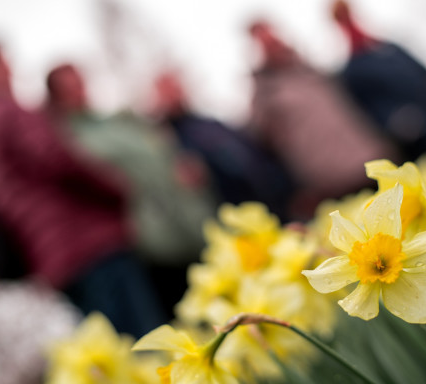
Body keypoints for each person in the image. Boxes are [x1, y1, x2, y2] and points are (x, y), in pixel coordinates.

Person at [0, 43, 165, 336]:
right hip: (93, 243)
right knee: (150, 341)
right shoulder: (12, 114)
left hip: (54, 263)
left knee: (114, 353)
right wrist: (118, 190)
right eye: (3, 61)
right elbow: (60, 161)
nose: (10, 68)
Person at [45, 64, 217, 318]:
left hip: (188, 223)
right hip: (149, 242)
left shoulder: (119, 122)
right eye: (68, 88)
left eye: (79, 82)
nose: (79, 91)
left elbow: (162, 158)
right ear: (56, 96)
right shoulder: (68, 141)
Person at [247, 21, 400, 219]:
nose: (273, 44)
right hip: (334, 184)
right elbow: (260, 136)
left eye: (273, 36)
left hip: (373, 160)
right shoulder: (266, 94)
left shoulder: (311, 71)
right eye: (263, 41)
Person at [331, 0, 426, 161]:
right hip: (421, 142)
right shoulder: (352, 71)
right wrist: (399, 123)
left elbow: (425, 75)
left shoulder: (390, 48)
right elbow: (369, 111)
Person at [150, 71, 294, 221]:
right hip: (232, 215)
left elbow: (253, 155)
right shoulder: (165, 142)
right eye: (165, 91)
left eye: (174, 87)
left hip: (273, 202)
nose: (173, 94)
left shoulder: (210, 125)